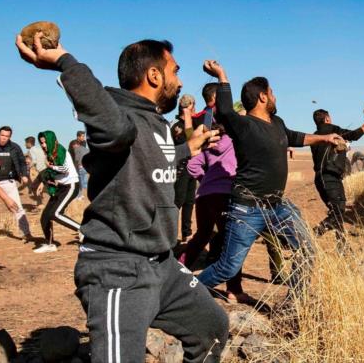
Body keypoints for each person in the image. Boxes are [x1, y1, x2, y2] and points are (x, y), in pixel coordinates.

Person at [16, 33, 228, 363]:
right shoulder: (119, 114)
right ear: (154, 75)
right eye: (175, 70)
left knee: (211, 328)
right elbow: (117, 131)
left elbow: (155, 158)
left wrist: (190, 147)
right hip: (118, 270)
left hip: (162, 266)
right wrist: (65, 61)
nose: (180, 79)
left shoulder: (154, 122)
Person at [197, 60, 344, 302]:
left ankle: (294, 304)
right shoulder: (243, 126)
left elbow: (294, 137)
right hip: (247, 208)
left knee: (307, 249)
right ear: (263, 97)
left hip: (277, 207)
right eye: (272, 92)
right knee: (227, 268)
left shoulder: (277, 123)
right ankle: (181, 293)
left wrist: (325, 138)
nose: (275, 97)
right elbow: (224, 111)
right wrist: (222, 75)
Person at [179, 123, 248, 303]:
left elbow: (192, 165)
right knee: (231, 240)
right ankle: (234, 289)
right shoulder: (234, 142)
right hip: (224, 195)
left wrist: (206, 180)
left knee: (202, 235)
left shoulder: (209, 146)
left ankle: (178, 269)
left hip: (203, 195)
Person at [311, 106, 364, 236]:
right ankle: (313, 235)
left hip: (321, 180)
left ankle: (343, 247)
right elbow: (355, 134)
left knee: (336, 212)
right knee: (338, 212)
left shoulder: (314, 137)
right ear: (327, 119)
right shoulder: (332, 130)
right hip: (330, 178)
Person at [34, 130, 81, 253]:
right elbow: (51, 172)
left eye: (44, 142)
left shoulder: (60, 150)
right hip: (60, 187)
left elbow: (64, 169)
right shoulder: (50, 153)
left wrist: (51, 167)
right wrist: (43, 182)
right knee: (45, 217)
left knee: (55, 213)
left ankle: (82, 230)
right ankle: (50, 244)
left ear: (51, 140)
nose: (43, 145)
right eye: (41, 143)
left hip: (70, 186)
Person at [0, 126, 31, 237]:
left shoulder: (15, 147)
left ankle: (26, 233)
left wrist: (24, 175)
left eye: (7, 136)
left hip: (8, 181)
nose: (4, 138)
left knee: (17, 207)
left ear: (10, 137)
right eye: (2, 135)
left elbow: (22, 162)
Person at [171, 94, 198, 241]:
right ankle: (170, 233)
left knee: (189, 202)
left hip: (191, 168)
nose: (195, 108)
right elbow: (190, 139)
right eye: (194, 105)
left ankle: (186, 234)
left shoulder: (191, 124)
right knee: (178, 201)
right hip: (180, 169)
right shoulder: (176, 125)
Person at [25, 135, 48, 202]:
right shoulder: (38, 149)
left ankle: (41, 203)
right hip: (44, 170)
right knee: (34, 187)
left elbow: (34, 161)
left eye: (25, 143)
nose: (25, 144)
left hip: (43, 171)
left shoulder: (31, 150)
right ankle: (40, 203)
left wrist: (28, 167)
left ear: (29, 143)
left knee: (46, 189)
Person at [69, 131, 90, 198]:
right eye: (82, 136)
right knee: (76, 179)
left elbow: (82, 153)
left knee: (81, 179)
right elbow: (77, 154)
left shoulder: (83, 142)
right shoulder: (73, 142)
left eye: (84, 136)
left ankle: (79, 194)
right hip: (72, 162)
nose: (84, 137)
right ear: (78, 137)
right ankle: (76, 195)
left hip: (79, 163)